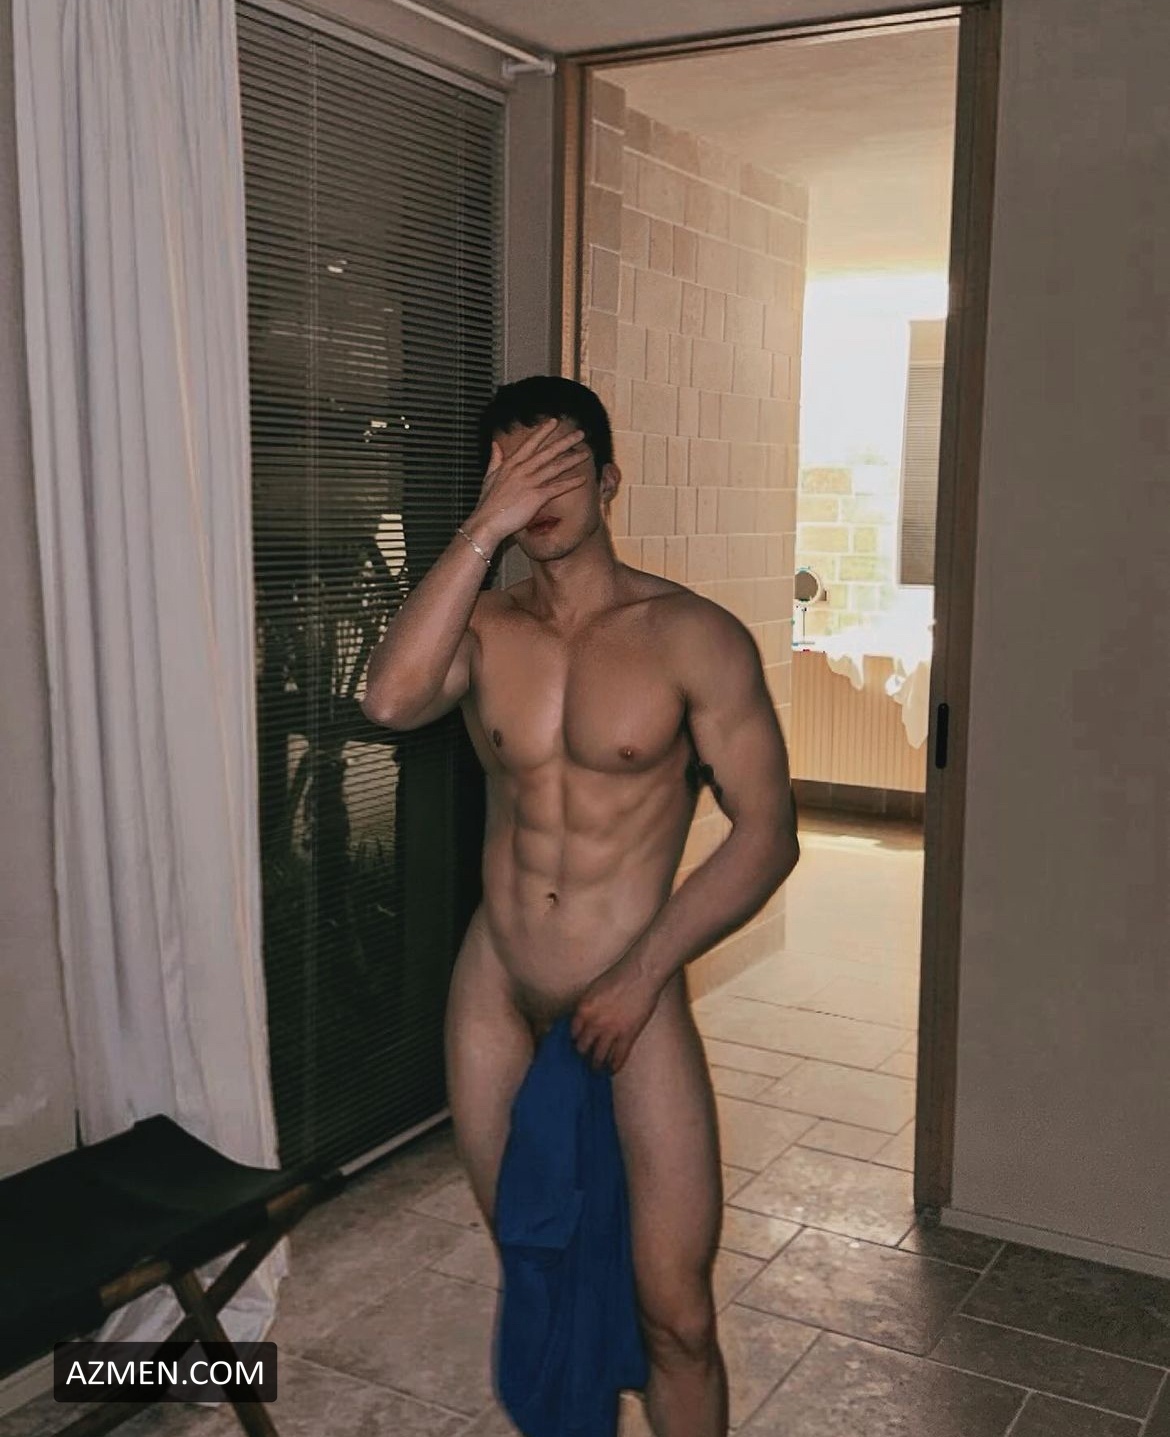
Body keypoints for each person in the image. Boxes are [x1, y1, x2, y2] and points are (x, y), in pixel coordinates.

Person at [360, 376, 800, 1437]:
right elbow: (389, 699)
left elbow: (767, 834)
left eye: (558, 468)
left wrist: (641, 975)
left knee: (676, 1315)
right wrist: (481, 530)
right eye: (514, 474)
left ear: (608, 479)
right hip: (497, 994)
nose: (538, 495)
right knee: (543, 1275)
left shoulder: (690, 635)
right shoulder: (483, 627)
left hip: (630, 997)